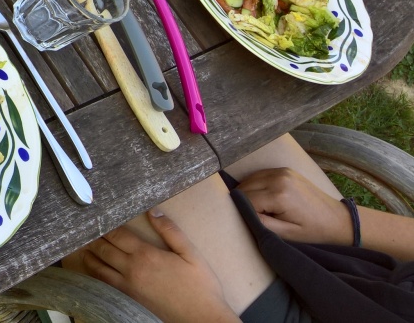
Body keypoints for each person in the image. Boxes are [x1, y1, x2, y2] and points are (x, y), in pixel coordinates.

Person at [67, 134, 414, 322]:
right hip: (378, 284)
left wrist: (201, 315)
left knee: (117, 154)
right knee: (194, 97)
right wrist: (347, 224)